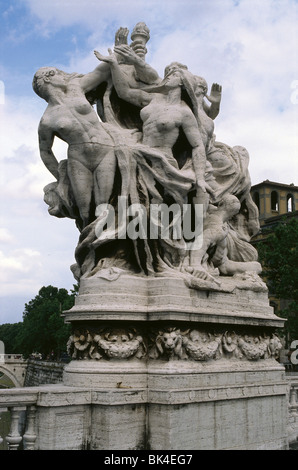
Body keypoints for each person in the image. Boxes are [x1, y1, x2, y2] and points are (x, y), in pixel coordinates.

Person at [33, 63, 118, 230]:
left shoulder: (76, 89)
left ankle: (107, 242)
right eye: (59, 74)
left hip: (106, 150)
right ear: (49, 78)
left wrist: (113, 57)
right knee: (84, 211)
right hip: (79, 160)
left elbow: (100, 71)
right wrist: (61, 177)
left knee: (104, 203)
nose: (65, 76)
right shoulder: (47, 119)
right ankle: (91, 247)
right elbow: (45, 152)